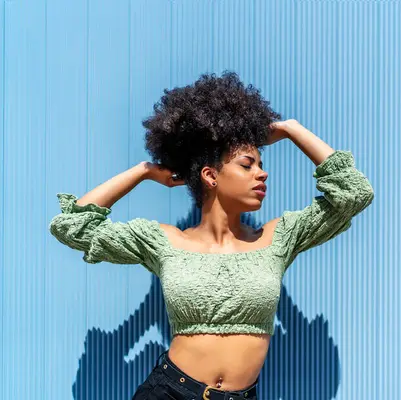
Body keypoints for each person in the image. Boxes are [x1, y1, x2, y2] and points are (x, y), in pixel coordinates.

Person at [49, 71, 375, 400]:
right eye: (247, 164)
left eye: (261, 164)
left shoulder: (279, 238)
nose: (262, 173)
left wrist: (290, 129)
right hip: (167, 392)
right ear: (210, 175)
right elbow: (73, 226)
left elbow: (354, 194)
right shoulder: (164, 241)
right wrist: (144, 172)